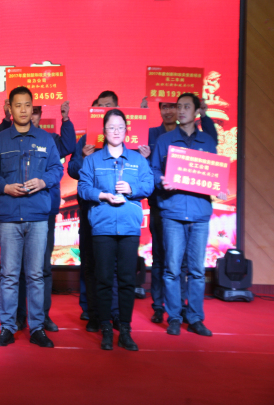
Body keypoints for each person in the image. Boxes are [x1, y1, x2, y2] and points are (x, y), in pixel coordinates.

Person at [0, 86, 62, 348]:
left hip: (38, 217)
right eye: (18, 105)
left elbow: (57, 169)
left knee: (36, 275)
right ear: (9, 108)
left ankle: (37, 328)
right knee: (9, 275)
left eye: (28, 105)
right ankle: (7, 327)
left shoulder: (45, 139)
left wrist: (43, 181)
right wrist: (4, 187)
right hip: (9, 217)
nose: (24, 110)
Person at [151, 93, 227, 338]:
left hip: (199, 214)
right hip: (172, 212)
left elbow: (215, 174)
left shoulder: (207, 141)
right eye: (179, 106)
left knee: (196, 271)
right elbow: (153, 170)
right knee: (172, 269)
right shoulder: (164, 140)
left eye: (186, 106)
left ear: (196, 111)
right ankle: (174, 317)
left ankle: (194, 318)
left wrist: (220, 187)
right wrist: (161, 180)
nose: (181, 110)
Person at [78, 109, 154, 351]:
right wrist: (102, 195)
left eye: (120, 127)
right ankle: (106, 328)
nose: (116, 131)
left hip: (130, 227)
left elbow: (149, 184)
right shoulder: (92, 160)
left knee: (127, 279)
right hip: (102, 226)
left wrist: (132, 189)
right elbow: (83, 188)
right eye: (111, 127)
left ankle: (126, 329)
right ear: (104, 131)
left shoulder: (137, 160)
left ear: (126, 130)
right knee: (102, 279)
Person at [0, 101, 76, 332]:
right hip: (15, 211)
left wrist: (65, 119)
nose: (30, 114)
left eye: (35, 111)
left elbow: (69, 145)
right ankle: (19, 316)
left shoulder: (48, 139)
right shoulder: (8, 138)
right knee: (16, 270)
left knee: (41, 268)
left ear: (40, 114)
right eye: (24, 108)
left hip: (45, 211)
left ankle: (41, 316)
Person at [68, 91, 121, 333]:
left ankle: (114, 313)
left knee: (114, 266)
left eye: (108, 106)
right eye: (100, 107)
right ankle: (91, 311)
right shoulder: (85, 140)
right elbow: (72, 170)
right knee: (89, 264)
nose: (104, 110)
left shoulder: (123, 138)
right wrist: (84, 158)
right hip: (90, 212)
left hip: (117, 213)